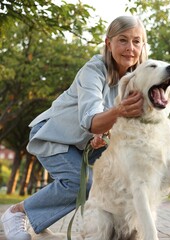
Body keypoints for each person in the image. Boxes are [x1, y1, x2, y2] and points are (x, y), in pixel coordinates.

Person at [0, 15, 148, 240]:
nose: (130, 48)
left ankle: (118, 230)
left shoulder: (138, 79)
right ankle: (16, 212)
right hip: (52, 135)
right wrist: (116, 114)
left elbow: (124, 129)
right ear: (109, 43)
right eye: (123, 40)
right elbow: (91, 118)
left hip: (81, 141)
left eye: (136, 41)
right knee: (84, 183)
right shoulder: (94, 70)